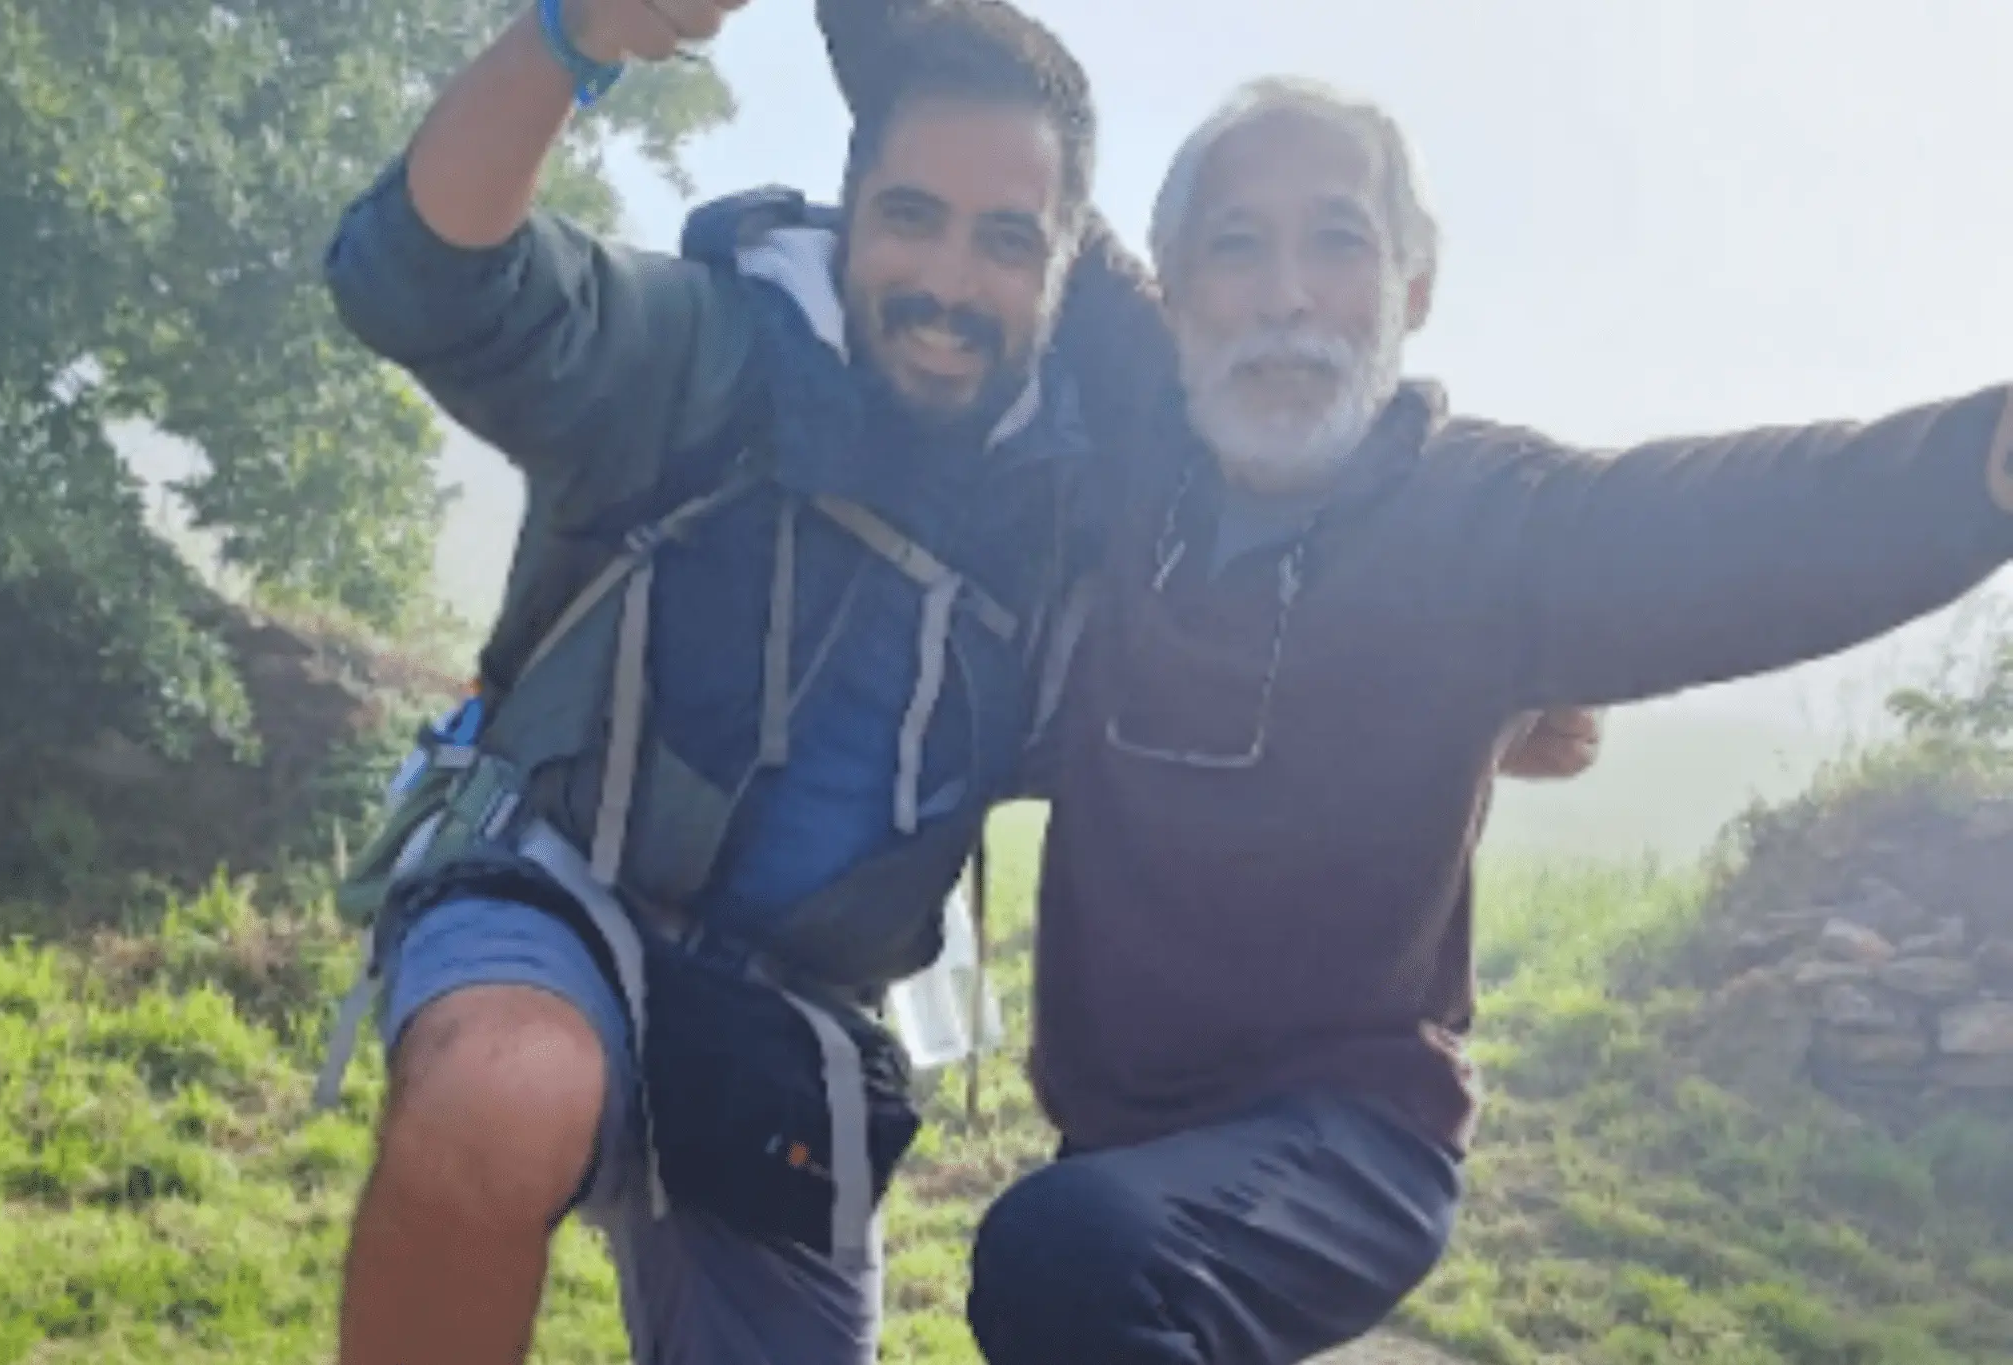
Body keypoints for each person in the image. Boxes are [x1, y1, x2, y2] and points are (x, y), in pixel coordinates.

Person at [816, 19, 2013, 1362]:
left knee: (1064, 1255)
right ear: (1178, 290)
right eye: (1236, 246)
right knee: (1096, 1243)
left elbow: (1739, 524)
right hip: (1127, 1132)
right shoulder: (1150, 422)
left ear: (1413, 287)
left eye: (1339, 242)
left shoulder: (1485, 523)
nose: (1285, 295)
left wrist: (1983, 465)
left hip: (1350, 1136)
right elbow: (992, 116)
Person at [316, 2, 1113, 1363]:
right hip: (551, 878)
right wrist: (570, 38)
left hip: (794, 1015)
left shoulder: (1075, 512)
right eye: (912, 217)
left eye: (1006, 241)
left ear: (1065, 267)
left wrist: (1480, 713)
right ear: (850, 210)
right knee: (510, 1090)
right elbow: (420, 280)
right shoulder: (704, 351)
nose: (947, 284)